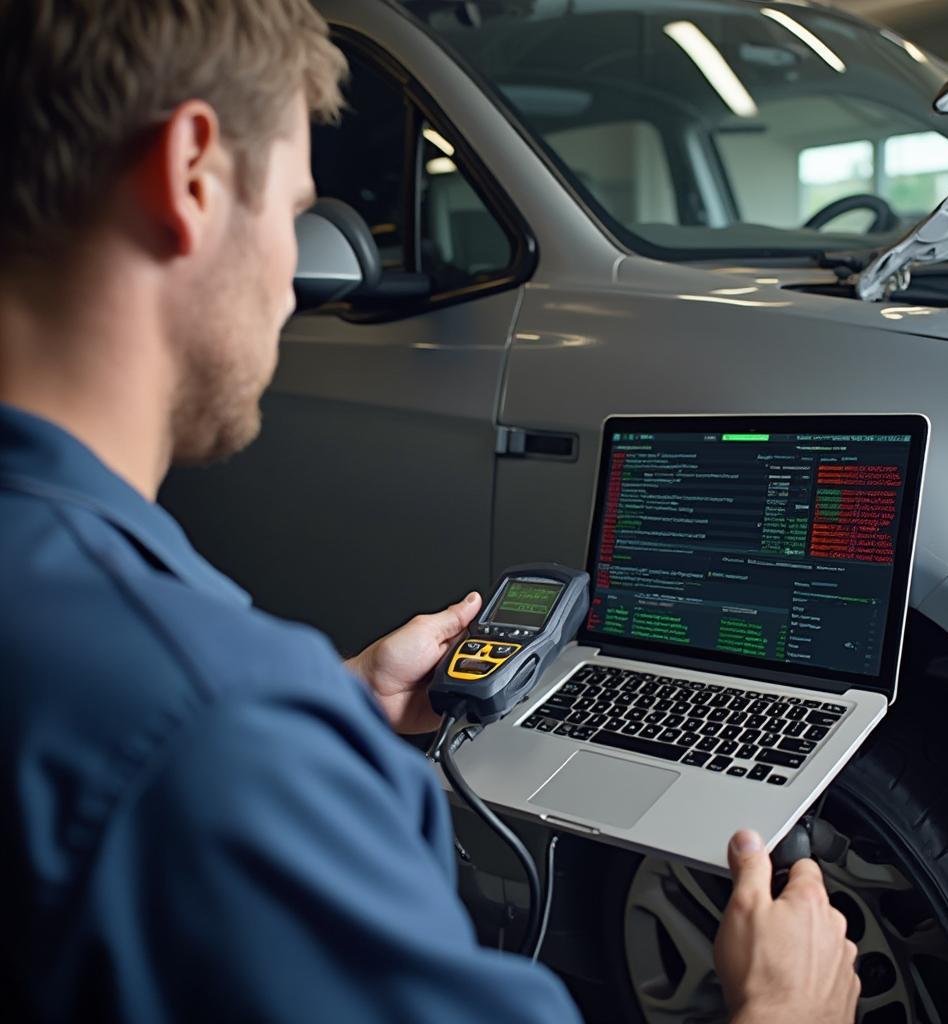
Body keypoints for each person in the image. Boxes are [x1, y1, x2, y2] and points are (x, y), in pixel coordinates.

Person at [0, 1, 860, 1021]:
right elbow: (173, 742)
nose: (289, 283)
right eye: (295, 213)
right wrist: (782, 1011)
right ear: (190, 174)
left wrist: (338, 708)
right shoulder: (210, 726)